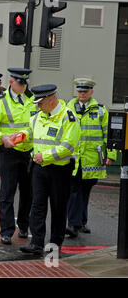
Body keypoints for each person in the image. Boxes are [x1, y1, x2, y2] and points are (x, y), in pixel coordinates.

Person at [18, 84, 81, 254]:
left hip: (60, 170)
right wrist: (15, 139)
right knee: (37, 206)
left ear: (51, 99)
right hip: (39, 169)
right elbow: (28, 134)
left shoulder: (68, 117)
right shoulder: (38, 116)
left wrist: (45, 156)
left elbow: (68, 146)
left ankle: (54, 245)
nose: (37, 106)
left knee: (58, 208)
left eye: (40, 102)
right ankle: (36, 243)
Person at [0, 68, 37, 245]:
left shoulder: (33, 101)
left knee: (28, 193)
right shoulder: (0, 102)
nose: (23, 86)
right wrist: (2, 138)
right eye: (19, 83)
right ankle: (6, 231)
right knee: (7, 192)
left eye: (25, 83)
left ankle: (23, 225)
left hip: (28, 152)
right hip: (8, 152)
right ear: (11, 83)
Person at [65, 78, 117, 237]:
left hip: (93, 159)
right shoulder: (68, 108)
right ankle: (74, 224)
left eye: (85, 91)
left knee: (85, 191)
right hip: (73, 158)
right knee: (74, 190)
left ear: (91, 92)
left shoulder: (101, 110)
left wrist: (112, 155)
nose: (81, 94)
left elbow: (109, 134)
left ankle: (81, 222)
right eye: (79, 91)